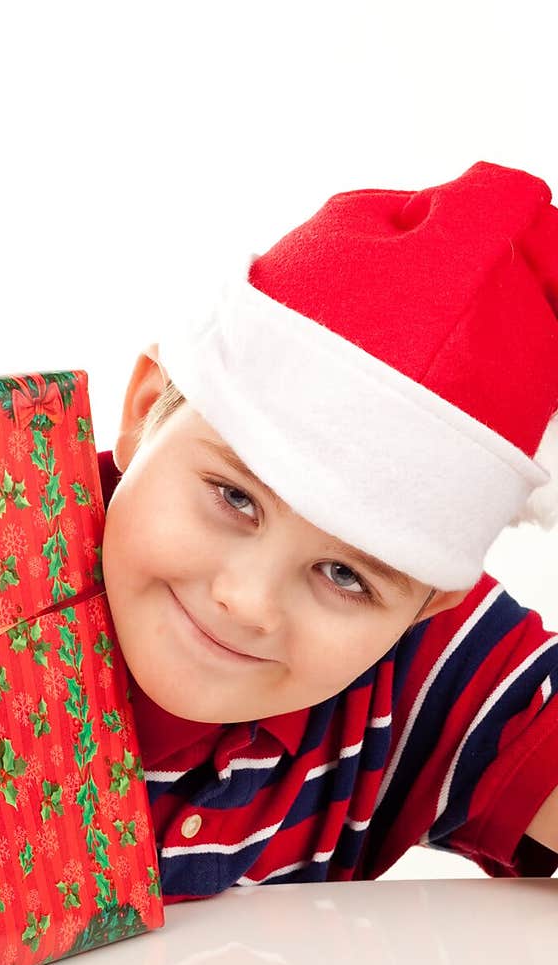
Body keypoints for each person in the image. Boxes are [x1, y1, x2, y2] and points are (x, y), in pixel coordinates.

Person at [98, 160, 558, 903]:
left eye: (346, 575)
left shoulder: (416, 667)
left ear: (427, 609)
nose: (247, 601)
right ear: (144, 409)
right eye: (233, 497)